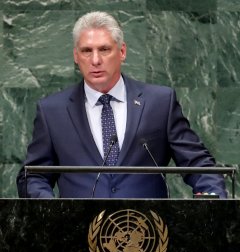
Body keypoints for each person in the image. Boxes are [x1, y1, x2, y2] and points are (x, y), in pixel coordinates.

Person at [16, 11, 227, 199]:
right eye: (87, 51)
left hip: (149, 234)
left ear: (122, 52)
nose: (95, 60)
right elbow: (33, 175)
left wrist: (211, 198)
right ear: (75, 56)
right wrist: (49, 209)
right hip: (77, 234)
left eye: (104, 49)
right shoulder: (52, 111)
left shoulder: (159, 102)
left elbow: (198, 164)